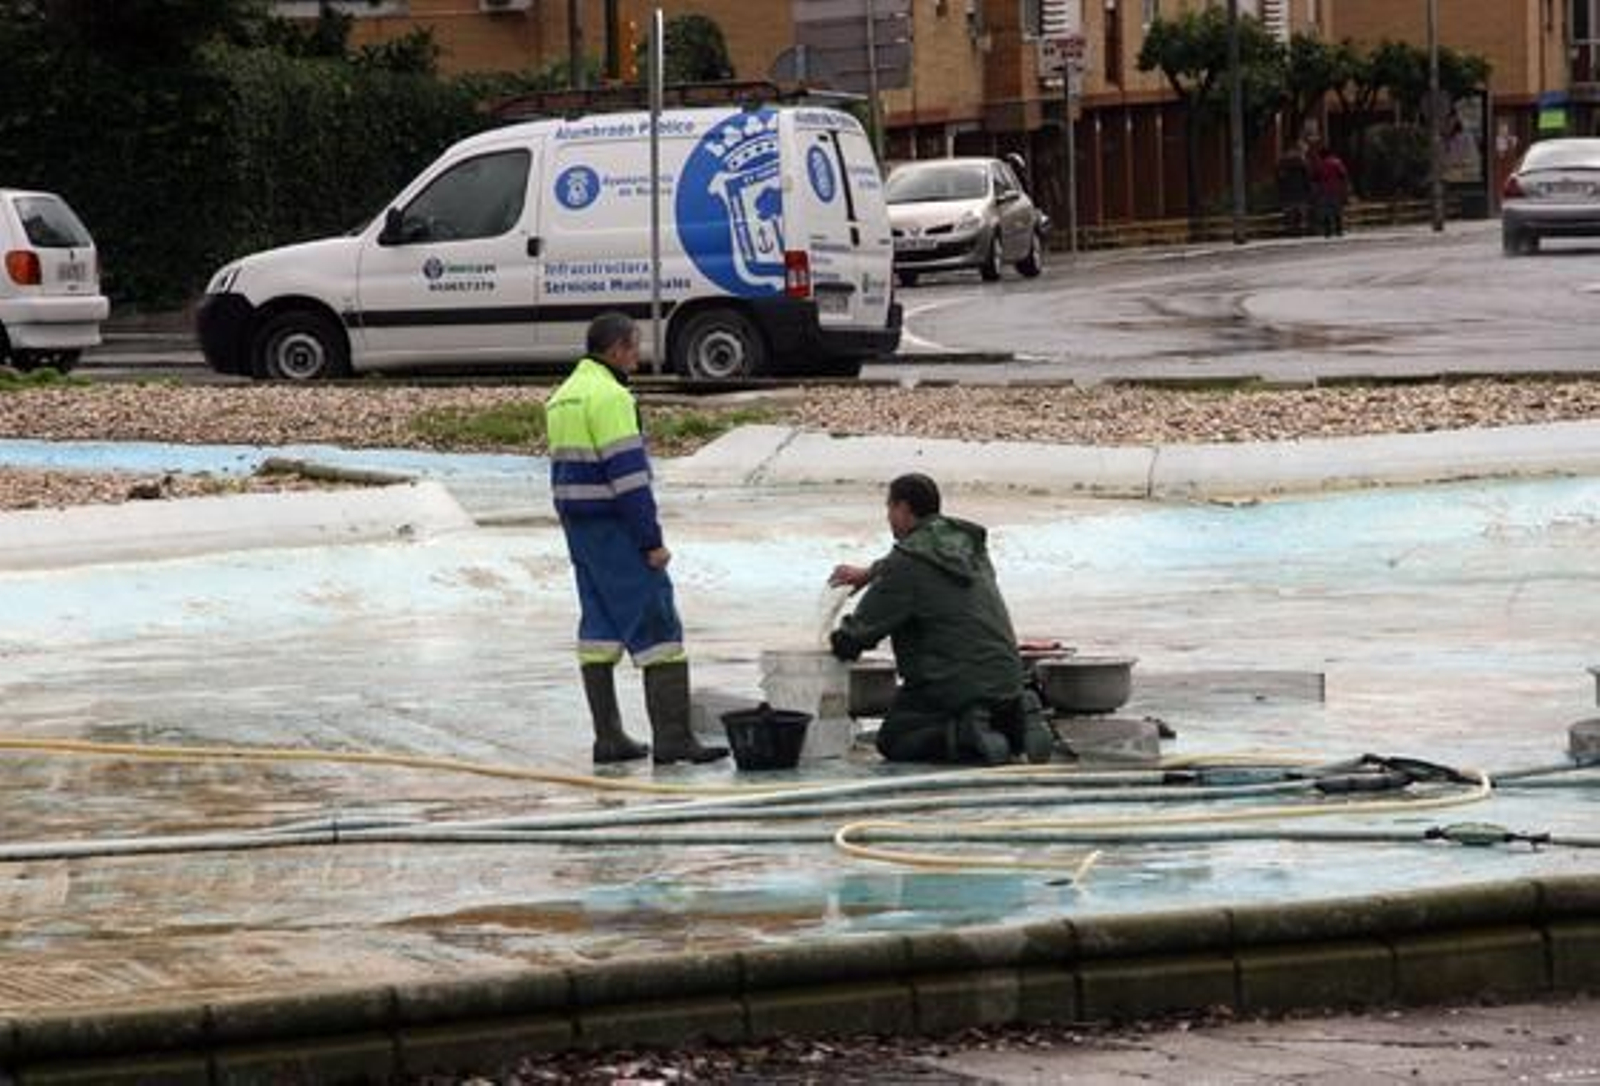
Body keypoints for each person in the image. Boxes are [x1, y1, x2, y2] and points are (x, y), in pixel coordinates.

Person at [545, 312, 728, 766]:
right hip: (617, 529)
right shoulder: (610, 397)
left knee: (599, 629)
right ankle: (673, 739)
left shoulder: (562, 397)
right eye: (635, 346)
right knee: (659, 624)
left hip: (581, 532)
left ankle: (608, 739)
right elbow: (628, 478)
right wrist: (651, 541)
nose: (639, 356)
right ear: (618, 349)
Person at [826, 473, 1052, 766]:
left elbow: (855, 638)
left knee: (894, 740)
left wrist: (832, 641)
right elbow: (919, 565)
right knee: (984, 696)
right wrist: (871, 573)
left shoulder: (905, 564)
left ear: (903, 509)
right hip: (1009, 678)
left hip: (953, 686)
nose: (888, 518)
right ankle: (1016, 717)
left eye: (889, 509)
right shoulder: (969, 547)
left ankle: (964, 735)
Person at [1311, 145, 1350, 239]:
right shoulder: (1337, 162)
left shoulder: (1320, 164)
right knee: (1337, 211)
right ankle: (1339, 230)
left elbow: (1315, 178)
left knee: (1326, 212)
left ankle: (1328, 232)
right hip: (1336, 190)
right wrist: (1345, 188)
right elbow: (1343, 175)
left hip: (1324, 191)